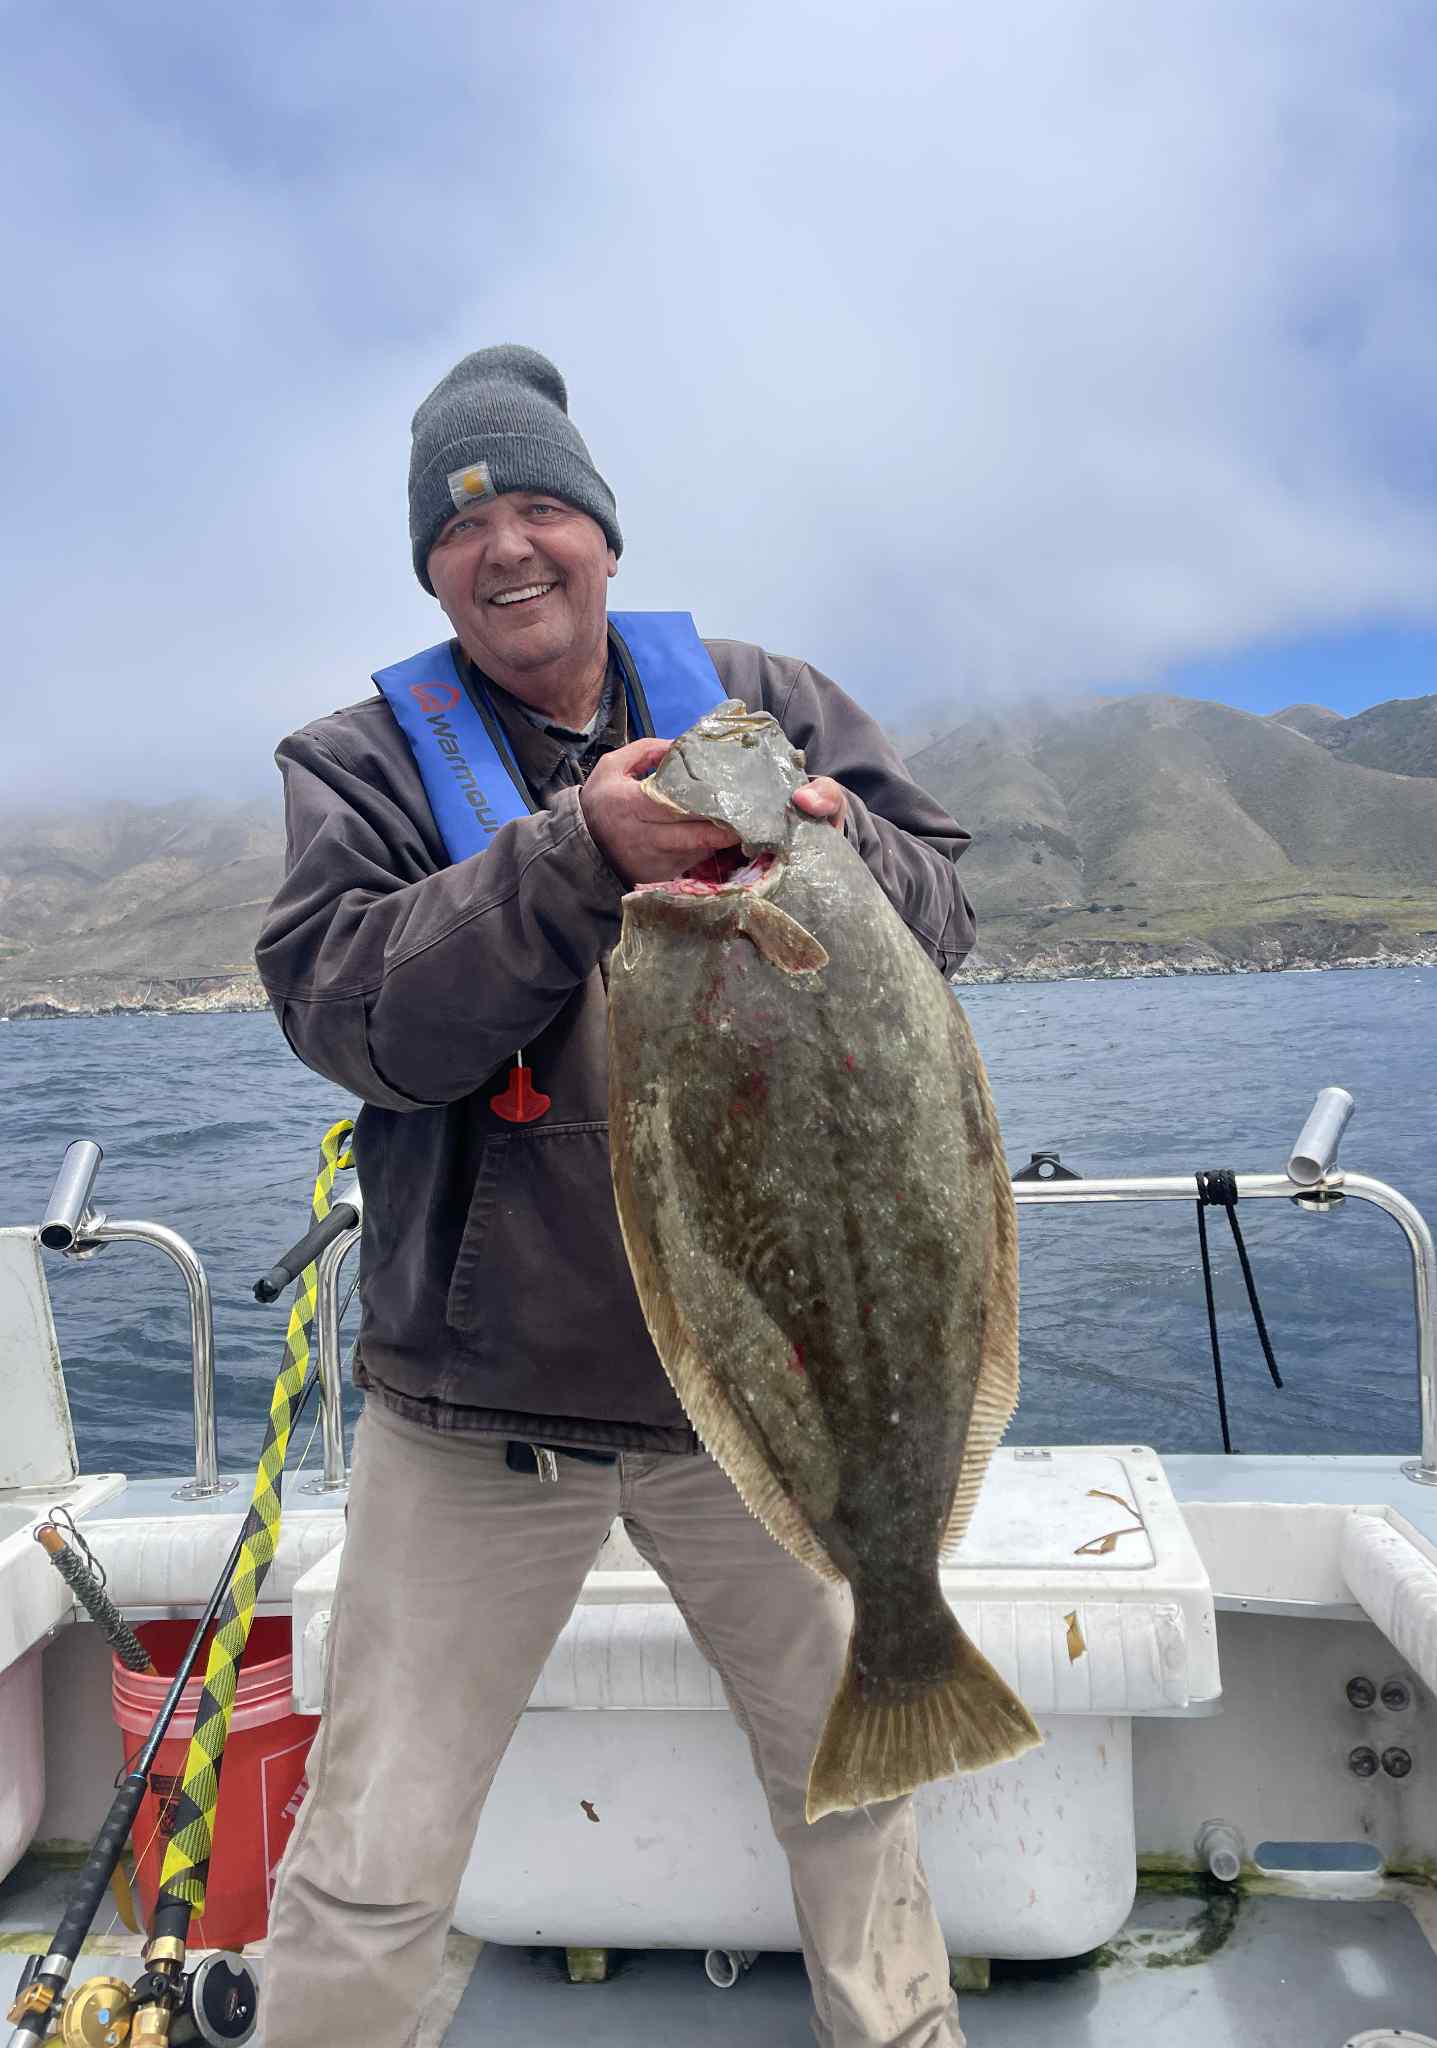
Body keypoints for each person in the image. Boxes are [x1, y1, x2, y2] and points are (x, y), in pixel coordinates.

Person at [254, 344, 979, 2048]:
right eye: (465, 528)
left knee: (858, 1804)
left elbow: (943, 918)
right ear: (429, 573)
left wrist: (836, 848)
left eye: (541, 509)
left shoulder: (760, 693)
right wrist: (579, 856)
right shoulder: (360, 765)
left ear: (604, 534)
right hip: (477, 1404)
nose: (508, 549)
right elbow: (357, 1017)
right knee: (371, 1855)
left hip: (762, 1391)